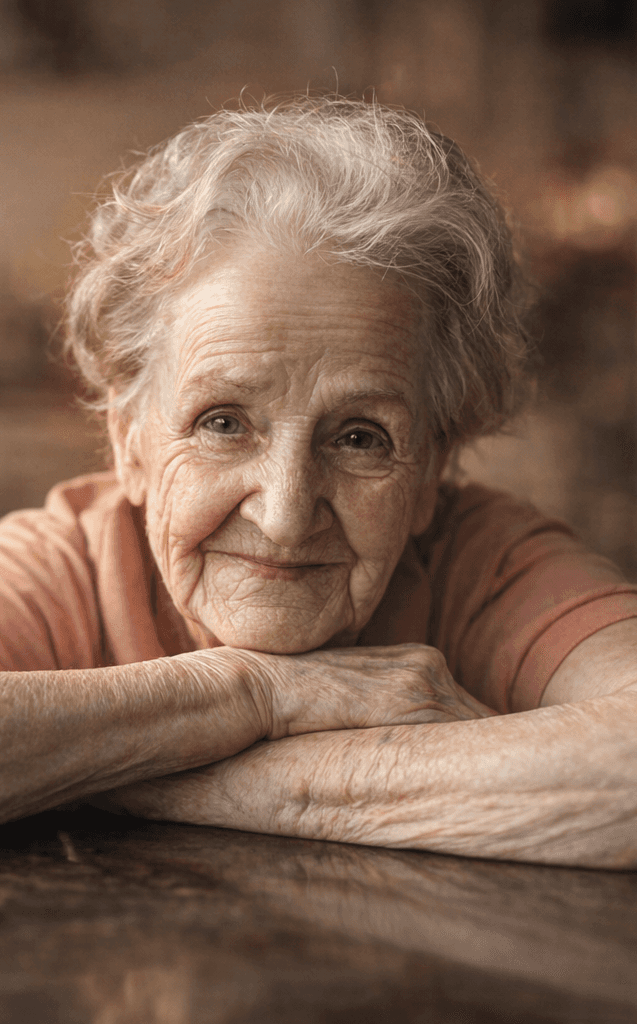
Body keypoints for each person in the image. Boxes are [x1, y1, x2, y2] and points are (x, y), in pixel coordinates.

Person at [1, 97, 636, 867]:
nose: (284, 514)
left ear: (435, 465)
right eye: (223, 422)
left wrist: (133, 773)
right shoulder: (60, 568)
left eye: (360, 437)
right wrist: (251, 694)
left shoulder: (487, 566)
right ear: (128, 441)